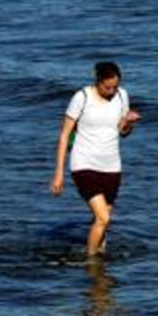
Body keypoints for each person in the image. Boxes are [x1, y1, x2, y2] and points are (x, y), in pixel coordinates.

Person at [51, 61, 142, 256]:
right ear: (98, 82)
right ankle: (91, 261)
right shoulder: (82, 97)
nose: (112, 91)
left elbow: (122, 132)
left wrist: (128, 122)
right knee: (103, 219)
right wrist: (59, 173)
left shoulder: (122, 96)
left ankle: (100, 258)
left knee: (102, 220)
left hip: (111, 166)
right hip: (83, 164)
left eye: (115, 87)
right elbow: (64, 135)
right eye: (107, 87)